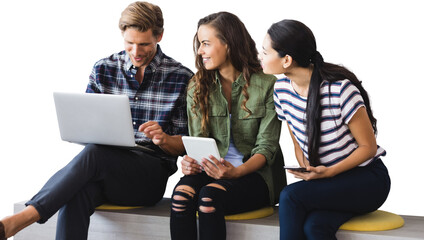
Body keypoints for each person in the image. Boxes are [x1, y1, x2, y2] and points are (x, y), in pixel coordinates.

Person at [0, 2, 193, 240]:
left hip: (149, 175)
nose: (136, 51)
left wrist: (163, 139)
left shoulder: (182, 78)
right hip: (103, 167)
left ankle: (21, 220)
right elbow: (86, 129)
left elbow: (186, 144)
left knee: (95, 154)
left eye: (144, 44)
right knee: (76, 192)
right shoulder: (104, 69)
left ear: (159, 36)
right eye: (129, 43)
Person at [259, 19, 391, 240]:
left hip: (368, 180)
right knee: (315, 227)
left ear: (287, 60)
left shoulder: (340, 90)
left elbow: (368, 148)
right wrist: (307, 169)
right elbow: (297, 141)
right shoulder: (281, 91)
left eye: (264, 52)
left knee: (290, 196)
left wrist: (328, 172)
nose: (259, 57)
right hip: (329, 183)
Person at [170, 12, 286, 240]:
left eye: (206, 44)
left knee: (208, 198)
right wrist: (191, 163)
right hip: (211, 171)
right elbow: (198, 141)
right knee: (181, 197)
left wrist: (235, 172)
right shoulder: (197, 86)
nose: (200, 51)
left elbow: (267, 147)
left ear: (229, 44)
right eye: (199, 44)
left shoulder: (267, 84)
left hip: (254, 175)